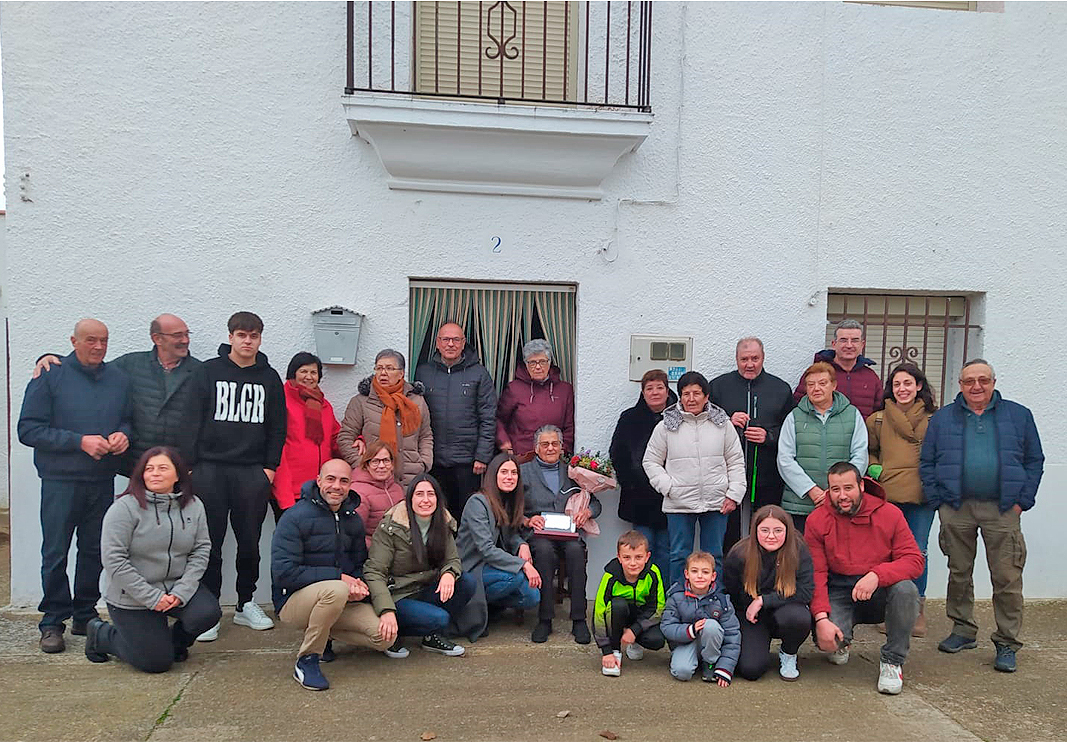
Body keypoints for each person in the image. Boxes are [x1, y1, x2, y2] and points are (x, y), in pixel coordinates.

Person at [921, 359, 1044, 673]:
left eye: (983, 380)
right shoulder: (943, 418)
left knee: (1006, 577)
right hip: (956, 507)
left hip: (1002, 509)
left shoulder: (1018, 415)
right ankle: (963, 630)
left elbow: (1034, 460)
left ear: (993, 381)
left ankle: (1007, 641)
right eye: (969, 381)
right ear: (960, 385)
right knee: (959, 572)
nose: (977, 386)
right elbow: (928, 461)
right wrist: (939, 502)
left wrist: (1021, 502)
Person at [17, 318, 132, 654]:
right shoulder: (49, 375)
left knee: (94, 550)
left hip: (101, 479)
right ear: (73, 341)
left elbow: (127, 418)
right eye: (90, 340)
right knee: (55, 552)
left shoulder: (118, 379)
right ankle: (52, 621)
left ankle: (84, 614)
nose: (98, 347)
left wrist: (124, 434)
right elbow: (29, 430)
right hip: (60, 481)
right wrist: (79, 442)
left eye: (104, 341)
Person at [180, 311, 287, 640]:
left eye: (253, 336)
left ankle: (245, 604)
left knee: (249, 543)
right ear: (230, 337)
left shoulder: (269, 378)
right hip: (209, 470)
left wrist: (268, 469)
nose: (247, 341)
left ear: (260, 339)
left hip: (251, 473)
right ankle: (209, 611)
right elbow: (190, 420)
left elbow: (277, 427)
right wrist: (189, 466)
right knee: (209, 543)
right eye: (241, 335)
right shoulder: (207, 372)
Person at [84, 447, 221, 672]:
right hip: (132, 595)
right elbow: (114, 560)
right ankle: (102, 635)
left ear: (179, 474)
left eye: (162, 468)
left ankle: (173, 643)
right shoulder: (124, 509)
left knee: (207, 613)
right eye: (149, 469)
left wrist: (182, 591)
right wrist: (152, 597)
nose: (154, 473)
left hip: (175, 588)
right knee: (155, 664)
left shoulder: (194, 506)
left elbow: (201, 550)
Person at [271, 459, 392, 691]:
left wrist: (359, 586)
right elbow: (283, 573)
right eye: (330, 479)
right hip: (293, 602)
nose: (337, 486)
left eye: (344, 481)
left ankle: (325, 634)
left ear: (350, 485)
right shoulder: (294, 518)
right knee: (336, 589)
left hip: (337, 597)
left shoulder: (352, 520)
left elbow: (359, 564)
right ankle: (307, 660)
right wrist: (339, 577)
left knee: (384, 637)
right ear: (318, 481)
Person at [806, 462, 923, 695]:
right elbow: (815, 573)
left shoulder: (890, 514)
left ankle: (892, 661)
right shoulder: (817, 520)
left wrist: (877, 575)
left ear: (861, 485)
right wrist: (820, 619)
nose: (842, 496)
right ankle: (842, 642)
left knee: (907, 590)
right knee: (827, 642)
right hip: (839, 588)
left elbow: (914, 560)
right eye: (835, 490)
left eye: (848, 488)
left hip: (880, 589)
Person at [32, 313, 201, 471]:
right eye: (178, 335)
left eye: (187, 334)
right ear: (157, 338)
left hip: (178, 465)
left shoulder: (200, 372)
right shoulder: (130, 364)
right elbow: (89, 367)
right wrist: (50, 358)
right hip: (135, 464)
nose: (185, 340)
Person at [642, 370, 746, 587]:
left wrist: (734, 495)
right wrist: (668, 487)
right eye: (686, 394)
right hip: (679, 502)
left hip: (717, 502)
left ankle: (713, 602)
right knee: (679, 555)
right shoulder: (666, 425)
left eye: (696, 393)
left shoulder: (723, 424)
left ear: (706, 396)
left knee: (714, 556)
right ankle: (677, 603)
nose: (691, 399)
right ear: (680, 396)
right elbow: (650, 461)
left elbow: (735, 461)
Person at [363, 474, 476, 657]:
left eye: (430, 494)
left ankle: (431, 637)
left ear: (438, 498)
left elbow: (452, 560)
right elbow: (374, 572)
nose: (425, 500)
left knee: (467, 582)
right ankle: (393, 634)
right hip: (398, 594)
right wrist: (386, 610)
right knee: (439, 618)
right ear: (410, 498)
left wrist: (449, 573)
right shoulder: (391, 526)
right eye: (419, 494)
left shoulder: (442, 521)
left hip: (424, 587)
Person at [867, 363, 937, 637]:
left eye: (908, 383)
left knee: (918, 551)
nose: (902, 389)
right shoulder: (878, 420)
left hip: (922, 496)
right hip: (889, 495)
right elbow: (870, 451)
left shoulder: (935, 419)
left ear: (919, 386)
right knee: (887, 552)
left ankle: (916, 612)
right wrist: (877, 470)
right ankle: (890, 608)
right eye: (897, 384)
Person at [709, 337, 795, 553]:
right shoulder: (718, 386)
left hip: (767, 473)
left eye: (755, 358)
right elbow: (703, 423)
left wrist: (769, 436)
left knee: (766, 527)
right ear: (736, 359)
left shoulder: (780, 388)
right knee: (729, 531)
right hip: (727, 473)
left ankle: (763, 577)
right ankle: (730, 578)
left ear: (763, 358)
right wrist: (727, 420)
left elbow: (791, 429)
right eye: (744, 359)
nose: (749, 364)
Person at [521, 425, 601, 644]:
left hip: (569, 533)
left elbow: (595, 503)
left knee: (576, 552)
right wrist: (527, 520)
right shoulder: (523, 471)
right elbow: (511, 508)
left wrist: (588, 511)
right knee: (545, 554)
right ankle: (545, 619)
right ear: (536, 448)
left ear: (561, 447)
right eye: (545, 444)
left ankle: (578, 619)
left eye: (554, 444)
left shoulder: (574, 472)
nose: (550, 448)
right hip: (539, 532)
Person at [415, 322, 498, 522]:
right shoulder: (423, 373)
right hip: (433, 460)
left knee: (466, 515)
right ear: (437, 343)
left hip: (468, 462)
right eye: (445, 339)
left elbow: (488, 416)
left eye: (456, 340)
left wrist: (483, 455)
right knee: (434, 514)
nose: (450, 344)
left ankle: (463, 553)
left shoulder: (478, 373)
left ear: (463, 343)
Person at [455, 453, 542, 641]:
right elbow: (486, 549)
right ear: (493, 475)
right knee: (516, 577)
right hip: (471, 567)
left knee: (532, 596)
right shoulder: (477, 502)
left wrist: (522, 544)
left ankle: (488, 606)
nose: (509, 477)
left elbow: (510, 535)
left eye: (513, 473)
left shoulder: (507, 500)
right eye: (504, 472)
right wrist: (524, 565)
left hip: (491, 565)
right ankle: (472, 606)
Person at [723, 505, 814, 681]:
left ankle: (789, 653)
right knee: (750, 670)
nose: (771, 536)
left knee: (798, 618)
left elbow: (806, 591)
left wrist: (763, 600)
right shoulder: (739, 554)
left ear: (787, 530)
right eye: (764, 530)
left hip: (785, 609)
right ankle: (756, 644)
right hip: (751, 615)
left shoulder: (799, 550)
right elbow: (731, 591)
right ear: (755, 530)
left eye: (778, 530)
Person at [777, 362, 868, 534]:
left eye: (822, 383)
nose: (816, 388)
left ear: (834, 385)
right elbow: (785, 459)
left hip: (842, 503)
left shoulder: (852, 415)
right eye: (810, 384)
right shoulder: (794, 417)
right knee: (801, 556)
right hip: (800, 505)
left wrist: (838, 490)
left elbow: (860, 455)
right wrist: (812, 491)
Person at [609, 369, 677, 580]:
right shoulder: (629, 418)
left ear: (667, 391)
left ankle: (664, 599)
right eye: (649, 388)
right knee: (640, 552)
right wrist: (630, 483)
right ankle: (642, 598)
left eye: (659, 387)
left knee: (667, 551)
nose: (655, 392)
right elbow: (617, 453)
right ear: (642, 392)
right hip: (640, 497)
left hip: (671, 496)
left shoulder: (680, 417)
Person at [339, 349, 433, 488]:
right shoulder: (361, 402)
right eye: (379, 368)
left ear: (401, 373)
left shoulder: (417, 401)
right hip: (373, 480)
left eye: (389, 368)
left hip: (411, 477)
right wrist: (363, 465)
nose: (383, 373)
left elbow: (425, 436)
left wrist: (424, 462)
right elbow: (345, 438)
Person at [272, 352, 342, 521]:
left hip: (320, 490)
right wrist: (285, 497)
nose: (309, 377)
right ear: (293, 373)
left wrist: (357, 442)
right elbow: (276, 450)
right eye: (303, 371)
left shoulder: (324, 406)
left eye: (313, 372)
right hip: (291, 490)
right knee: (291, 541)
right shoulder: (281, 401)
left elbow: (336, 439)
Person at [660, 551, 741, 685]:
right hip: (685, 642)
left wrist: (725, 669)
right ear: (686, 574)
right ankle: (691, 659)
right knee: (682, 672)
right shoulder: (676, 596)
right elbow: (667, 626)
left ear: (713, 576)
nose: (699, 576)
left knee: (710, 626)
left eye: (705, 572)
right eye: (694, 571)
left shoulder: (722, 601)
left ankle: (710, 662)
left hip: (712, 644)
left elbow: (733, 635)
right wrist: (690, 630)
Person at [592, 530, 666, 677]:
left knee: (657, 640)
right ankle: (615, 651)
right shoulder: (610, 576)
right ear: (619, 557)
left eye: (638, 557)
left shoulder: (653, 573)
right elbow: (598, 613)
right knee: (617, 605)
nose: (633, 563)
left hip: (639, 617)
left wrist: (635, 630)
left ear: (647, 557)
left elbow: (658, 607)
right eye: (627, 557)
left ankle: (634, 641)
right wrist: (606, 651)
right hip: (617, 615)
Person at [496, 339, 575, 457]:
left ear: (550, 362)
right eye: (532, 363)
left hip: (554, 455)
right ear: (525, 364)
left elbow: (570, 425)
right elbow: (498, 419)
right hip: (522, 454)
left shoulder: (564, 390)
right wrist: (505, 443)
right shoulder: (514, 389)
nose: (538, 367)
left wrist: (564, 448)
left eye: (542, 362)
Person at [793, 319, 883, 418]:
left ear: (862, 344)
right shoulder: (816, 373)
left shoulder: (871, 377)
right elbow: (798, 407)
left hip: (861, 433)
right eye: (843, 340)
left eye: (855, 340)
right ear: (834, 344)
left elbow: (879, 413)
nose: (849, 345)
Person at [351, 441, 406, 548]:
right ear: (367, 465)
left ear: (392, 464)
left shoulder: (397, 488)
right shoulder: (358, 492)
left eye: (386, 461)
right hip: (373, 550)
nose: (381, 466)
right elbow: (354, 533)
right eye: (375, 461)